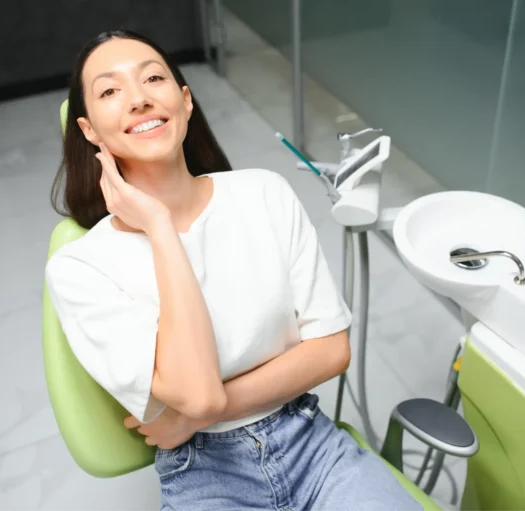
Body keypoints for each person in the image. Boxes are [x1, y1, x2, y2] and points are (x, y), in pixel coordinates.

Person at [45, 30, 422, 511]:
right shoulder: (80, 268)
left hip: (314, 447)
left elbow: (331, 350)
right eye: (110, 91)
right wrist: (160, 229)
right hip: (205, 474)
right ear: (90, 130)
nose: (138, 99)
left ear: (185, 102)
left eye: (154, 78)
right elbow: (198, 396)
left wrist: (193, 418)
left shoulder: (263, 193)